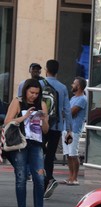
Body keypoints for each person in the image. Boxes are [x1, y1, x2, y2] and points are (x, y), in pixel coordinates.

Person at [3, 78, 53, 207]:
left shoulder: (42, 104)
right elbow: (7, 121)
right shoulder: (17, 102)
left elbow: (46, 130)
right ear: (26, 91)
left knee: (39, 178)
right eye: (31, 92)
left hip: (36, 143)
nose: (34, 96)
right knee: (21, 177)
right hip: (20, 143)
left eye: (37, 93)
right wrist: (24, 117)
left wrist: (44, 119)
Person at [41, 59, 73, 199]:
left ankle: (45, 180)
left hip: (41, 125)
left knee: (38, 152)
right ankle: (48, 180)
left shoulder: (40, 84)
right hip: (57, 126)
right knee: (50, 156)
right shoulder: (62, 87)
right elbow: (67, 110)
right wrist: (69, 130)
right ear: (57, 71)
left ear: (46, 69)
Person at [62, 77, 87, 185]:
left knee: (73, 154)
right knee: (68, 154)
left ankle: (75, 178)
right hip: (66, 129)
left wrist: (64, 111)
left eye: (74, 83)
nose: (72, 85)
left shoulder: (82, 99)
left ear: (79, 86)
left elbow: (71, 112)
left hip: (74, 130)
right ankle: (70, 176)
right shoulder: (73, 98)